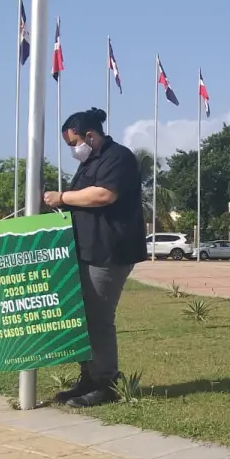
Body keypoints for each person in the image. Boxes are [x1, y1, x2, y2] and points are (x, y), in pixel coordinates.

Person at [44, 107, 146, 407]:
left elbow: (104, 195)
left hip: (109, 253)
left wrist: (61, 197)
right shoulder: (89, 162)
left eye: (74, 143)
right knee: (84, 318)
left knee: (99, 319)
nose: (74, 149)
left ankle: (106, 382)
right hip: (85, 251)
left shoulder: (118, 157)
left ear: (90, 135)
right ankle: (88, 378)